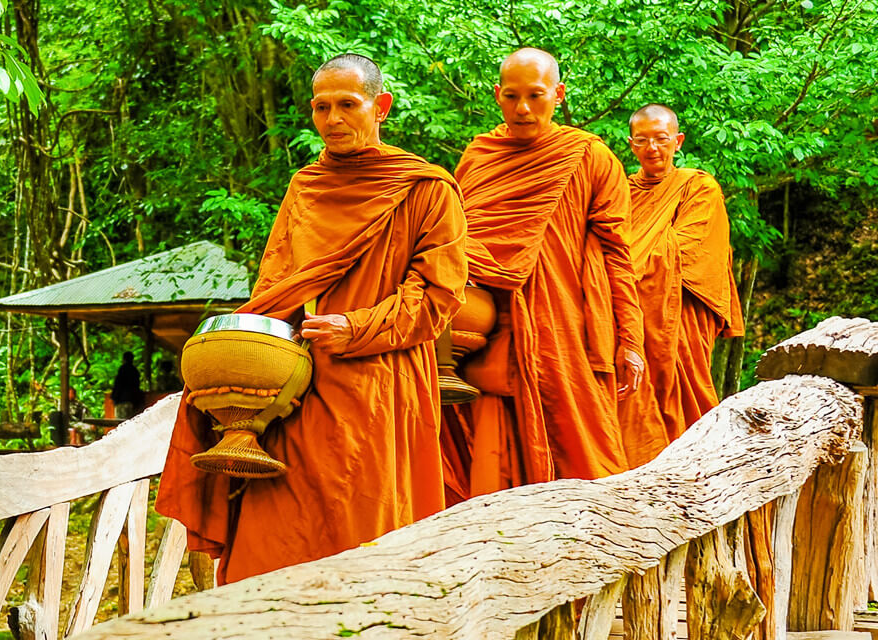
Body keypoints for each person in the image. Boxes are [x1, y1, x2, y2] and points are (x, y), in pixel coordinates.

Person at [156, 53, 467, 584]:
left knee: (363, 527)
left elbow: (438, 296)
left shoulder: (427, 188)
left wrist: (358, 327)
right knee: (275, 534)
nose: (333, 119)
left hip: (380, 385)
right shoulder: (306, 185)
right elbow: (275, 287)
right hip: (296, 387)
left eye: (348, 105)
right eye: (322, 107)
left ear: (380, 107)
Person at [448, 48, 646, 499]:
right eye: (512, 96)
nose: (523, 109)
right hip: (489, 330)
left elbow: (618, 253)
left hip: (564, 334)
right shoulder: (479, 156)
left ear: (557, 94)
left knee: (587, 466)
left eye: (535, 96)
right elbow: (454, 244)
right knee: (488, 465)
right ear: (497, 96)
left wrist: (629, 340)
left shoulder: (588, 156)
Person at [617, 104, 744, 465]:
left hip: (679, 315)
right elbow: (602, 246)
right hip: (628, 314)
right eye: (642, 140)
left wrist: (624, 275)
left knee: (685, 411)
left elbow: (693, 248)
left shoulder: (698, 187)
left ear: (678, 141)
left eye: (661, 139)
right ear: (631, 145)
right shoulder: (620, 192)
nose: (653, 148)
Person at [110, 352, 144, 419]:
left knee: (120, 423)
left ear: (124, 359)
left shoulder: (122, 369)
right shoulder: (135, 371)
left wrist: (114, 397)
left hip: (122, 400)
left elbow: (119, 384)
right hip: (132, 401)